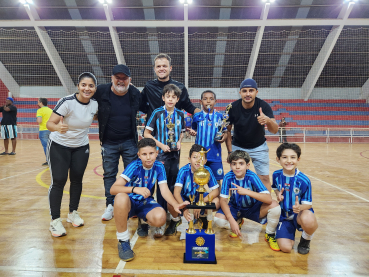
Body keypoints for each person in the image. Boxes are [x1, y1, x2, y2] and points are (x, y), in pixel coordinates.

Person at [110, 138, 189, 261]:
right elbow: (113, 189)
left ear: (157, 153)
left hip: (145, 202)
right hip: (129, 202)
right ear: (139, 155)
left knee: (160, 218)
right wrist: (135, 189)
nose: (148, 157)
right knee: (120, 198)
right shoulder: (134, 166)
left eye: (151, 153)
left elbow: (164, 190)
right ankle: (123, 241)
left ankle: (143, 220)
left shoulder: (159, 166)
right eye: (144, 154)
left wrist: (175, 204)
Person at [46, 72, 98, 237]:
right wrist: (57, 128)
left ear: (95, 88)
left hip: (81, 146)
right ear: (78, 86)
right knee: (59, 180)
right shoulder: (67, 102)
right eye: (84, 85)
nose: (87, 88)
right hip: (59, 145)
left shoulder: (95, 105)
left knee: (76, 180)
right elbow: (49, 123)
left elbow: (94, 116)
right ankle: (55, 220)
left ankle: (72, 213)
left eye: (90, 85)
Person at [93, 64, 142, 221]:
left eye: (124, 78)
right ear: (112, 78)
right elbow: (83, 99)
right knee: (109, 174)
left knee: (133, 175)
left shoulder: (135, 93)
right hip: (108, 143)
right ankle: (110, 205)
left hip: (130, 142)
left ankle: (132, 204)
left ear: (129, 80)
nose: (121, 81)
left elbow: (147, 107)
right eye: (118, 78)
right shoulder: (101, 91)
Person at [214, 150, 281, 251]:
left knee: (275, 206)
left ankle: (270, 233)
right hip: (235, 208)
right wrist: (231, 220)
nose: (237, 167)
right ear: (230, 165)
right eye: (234, 164)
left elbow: (268, 199)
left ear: (247, 165)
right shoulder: (228, 177)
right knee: (218, 220)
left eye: (241, 163)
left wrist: (247, 192)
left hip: (252, 208)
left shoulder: (252, 176)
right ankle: (237, 221)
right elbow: (223, 200)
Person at [144, 83, 185, 237]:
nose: (170, 99)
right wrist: (161, 145)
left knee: (173, 185)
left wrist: (180, 141)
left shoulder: (180, 114)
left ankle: (172, 214)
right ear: (163, 97)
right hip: (160, 155)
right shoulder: (157, 113)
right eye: (168, 96)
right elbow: (146, 134)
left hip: (175, 155)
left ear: (177, 99)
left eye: (173, 97)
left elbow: (181, 133)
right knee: (161, 186)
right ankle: (161, 218)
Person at [225, 78, 279, 191]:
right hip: (238, 147)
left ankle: (266, 205)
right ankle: (235, 204)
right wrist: (230, 152)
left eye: (251, 90)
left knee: (264, 178)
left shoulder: (263, 106)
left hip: (259, 147)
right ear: (240, 93)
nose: (248, 94)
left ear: (256, 92)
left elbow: (274, 130)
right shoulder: (232, 107)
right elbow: (227, 131)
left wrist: (268, 120)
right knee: (236, 177)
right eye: (244, 91)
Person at [273, 143, 318, 254]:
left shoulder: (304, 180)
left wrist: (299, 207)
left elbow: (308, 204)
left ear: (298, 159)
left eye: (292, 157)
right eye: (284, 157)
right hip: (284, 216)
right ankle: (287, 231)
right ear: (278, 159)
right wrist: (278, 194)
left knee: (309, 220)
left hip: (299, 214)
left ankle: (306, 239)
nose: (289, 161)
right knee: (286, 248)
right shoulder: (276, 175)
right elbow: (275, 188)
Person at [171, 144, 220, 236]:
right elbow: (176, 192)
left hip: (199, 199)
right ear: (189, 159)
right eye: (195, 157)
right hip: (185, 200)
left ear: (205, 161)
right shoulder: (183, 170)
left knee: (216, 201)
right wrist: (184, 208)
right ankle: (175, 220)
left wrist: (199, 205)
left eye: (201, 158)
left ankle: (202, 216)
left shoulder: (207, 170)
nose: (198, 160)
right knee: (170, 201)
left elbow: (216, 191)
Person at [140, 53, 200, 123]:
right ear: (154, 69)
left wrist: (205, 114)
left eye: (164, 66)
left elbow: (189, 107)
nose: (161, 69)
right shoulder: (149, 86)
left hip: (173, 129)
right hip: (152, 131)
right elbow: (140, 103)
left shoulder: (180, 87)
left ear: (170, 68)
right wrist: (151, 112)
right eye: (158, 66)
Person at [190, 90, 227, 185]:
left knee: (217, 181)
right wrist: (193, 132)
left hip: (215, 155)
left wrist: (224, 137)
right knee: (198, 178)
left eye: (211, 99)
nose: (208, 101)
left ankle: (217, 199)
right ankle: (199, 199)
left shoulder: (220, 116)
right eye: (205, 99)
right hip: (199, 155)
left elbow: (225, 132)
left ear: (216, 101)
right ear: (200, 101)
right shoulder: (197, 116)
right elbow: (194, 129)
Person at [36, 98, 53, 166]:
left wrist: (37, 119)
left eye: (38, 102)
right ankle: (53, 159)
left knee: (46, 146)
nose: (37, 103)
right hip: (51, 129)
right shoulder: (51, 110)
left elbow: (39, 121)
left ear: (41, 103)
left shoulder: (40, 110)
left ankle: (48, 160)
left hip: (43, 130)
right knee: (52, 146)